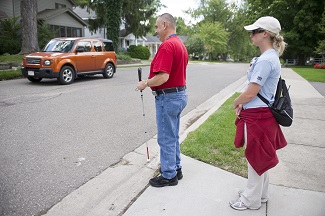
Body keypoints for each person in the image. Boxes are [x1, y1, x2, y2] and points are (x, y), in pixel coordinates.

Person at [230, 16, 288, 210]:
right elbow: (254, 89)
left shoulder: (266, 60)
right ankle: (260, 195)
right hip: (261, 115)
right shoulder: (268, 58)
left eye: (254, 31)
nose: (251, 35)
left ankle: (250, 200)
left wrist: (237, 102)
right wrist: (242, 104)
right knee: (260, 157)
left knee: (255, 158)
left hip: (258, 117)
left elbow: (252, 92)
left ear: (265, 34)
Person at [136, 13, 188, 187]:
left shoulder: (167, 46)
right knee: (172, 135)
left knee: (166, 137)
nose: (156, 31)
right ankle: (176, 168)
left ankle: (168, 175)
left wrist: (145, 83)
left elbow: (163, 77)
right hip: (179, 95)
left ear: (165, 25)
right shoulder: (180, 44)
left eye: (157, 27)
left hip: (168, 97)